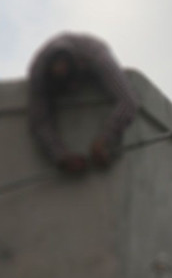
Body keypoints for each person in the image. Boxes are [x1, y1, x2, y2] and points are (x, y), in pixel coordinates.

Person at [28, 33, 139, 173]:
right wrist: (62, 158)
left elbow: (128, 101)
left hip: (90, 53)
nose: (71, 90)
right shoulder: (39, 74)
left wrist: (105, 140)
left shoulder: (96, 55)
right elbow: (40, 122)